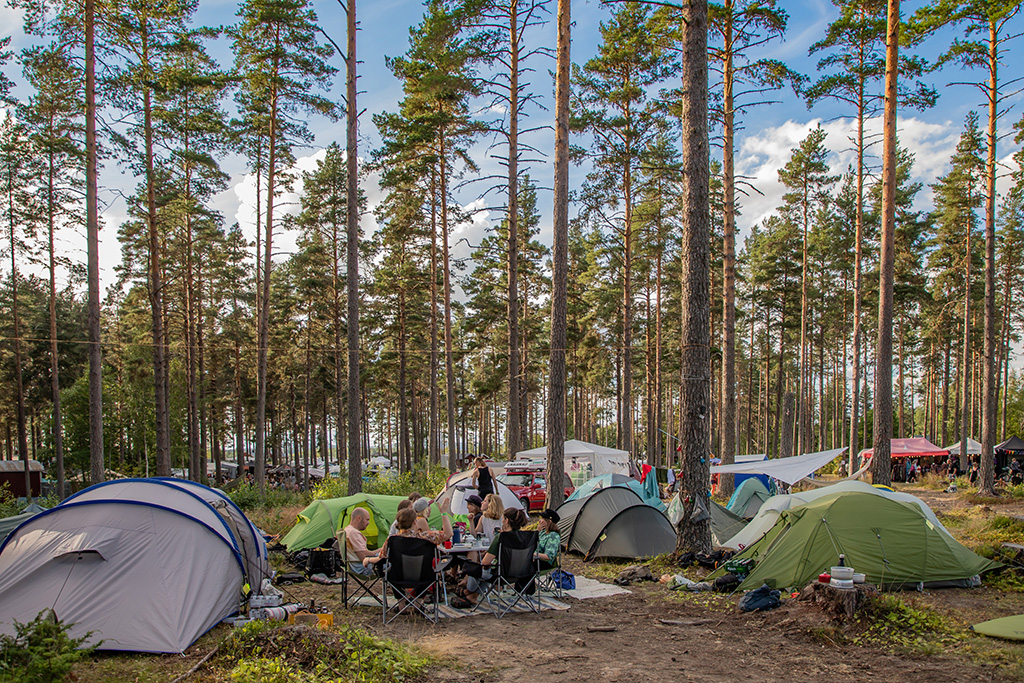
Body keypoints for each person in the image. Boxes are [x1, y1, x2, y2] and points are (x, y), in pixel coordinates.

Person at [451, 508, 531, 608]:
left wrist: (485, 555)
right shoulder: (526, 537)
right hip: (521, 574)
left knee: (477, 569)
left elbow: (485, 562)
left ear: (506, 521)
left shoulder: (501, 537)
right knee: (488, 572)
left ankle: (468, 591)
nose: (502, 521)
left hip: (501, 575)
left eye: (503, 519)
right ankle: (472, 596)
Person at [362, 500, 454, 568]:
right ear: (415, 522)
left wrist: (368, 559)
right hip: (424, 577)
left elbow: (381, 558)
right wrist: (443, 513)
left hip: (398, 578)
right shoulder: (426, 537)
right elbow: (448, 534)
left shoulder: (392, 540)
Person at [337, 507, 379, 576]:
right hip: (362, 568)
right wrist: (380, 550)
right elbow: (363, 557)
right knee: (392, 561)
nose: (368, 523)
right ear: (359, 518)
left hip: (355, 567)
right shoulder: (353, 533)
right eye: (367, 520)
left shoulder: (347, 530)